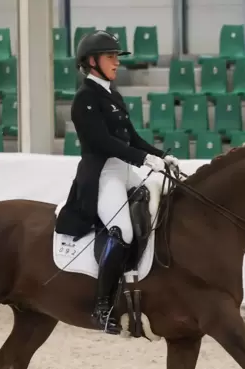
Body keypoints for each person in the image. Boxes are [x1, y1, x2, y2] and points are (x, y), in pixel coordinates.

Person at [55, 30, 180, 334]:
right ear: (92, 62)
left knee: (163, 204)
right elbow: (102, 141)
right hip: (103, 174)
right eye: (111, 57)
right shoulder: (85, 98)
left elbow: (131, 138)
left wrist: (160, 156)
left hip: (124, 168)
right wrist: (142, 159)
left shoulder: (113, 95)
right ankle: (102, 305)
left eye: (116, 57)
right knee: (121, 230)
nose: (116, 63)